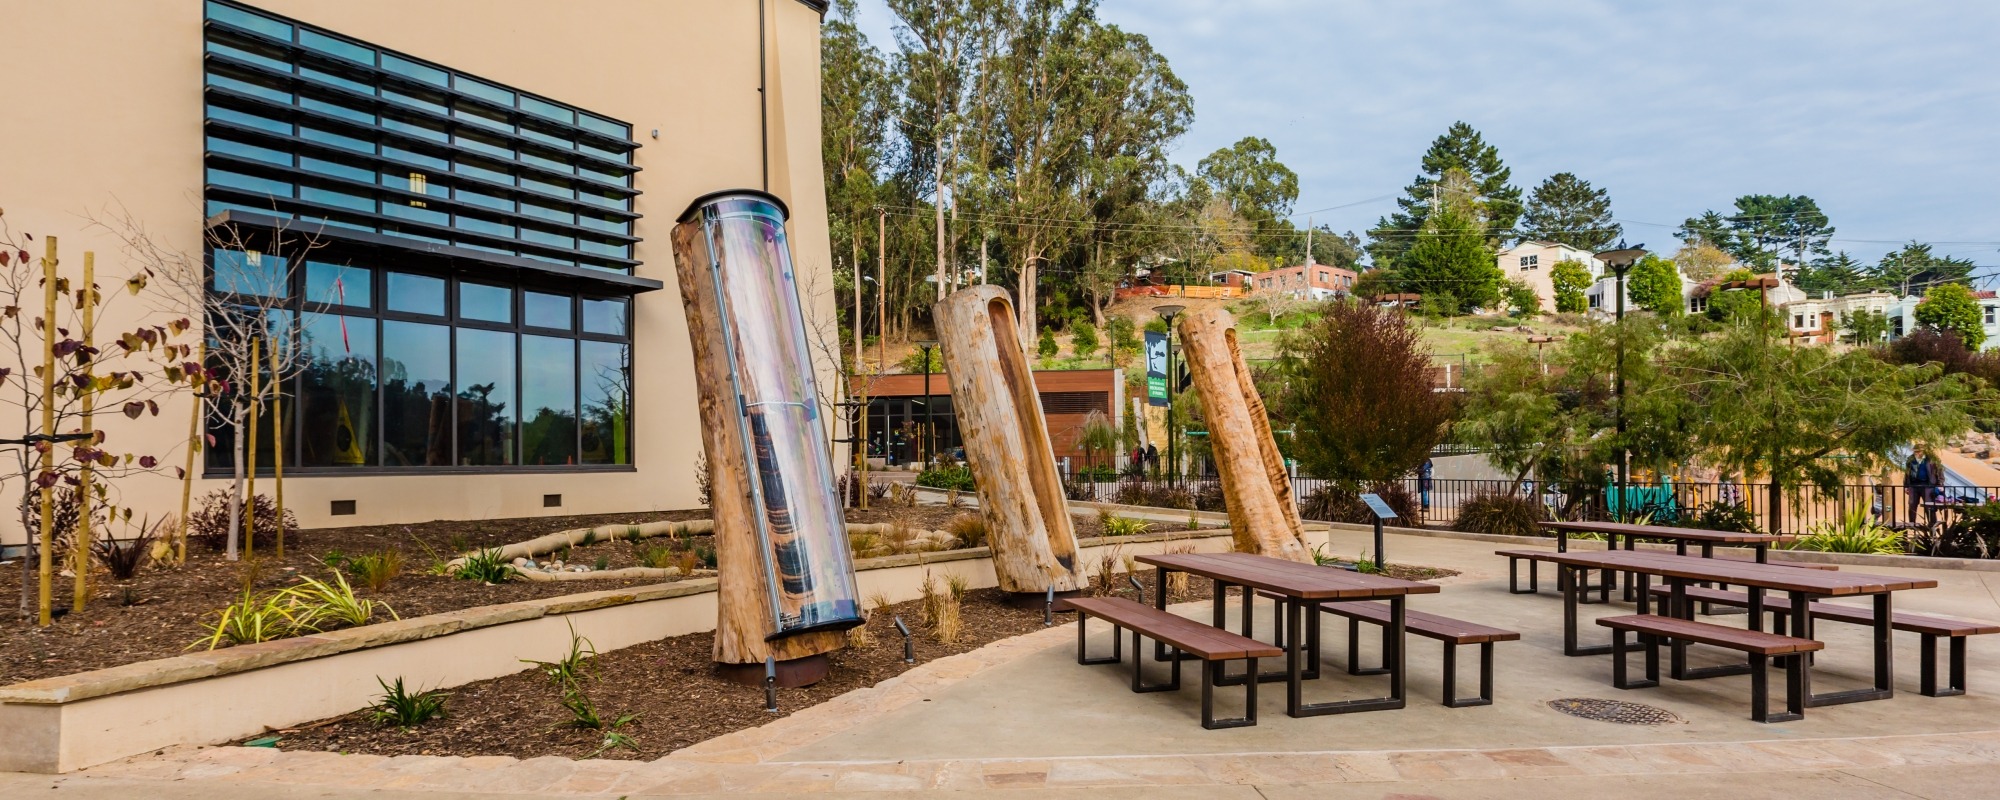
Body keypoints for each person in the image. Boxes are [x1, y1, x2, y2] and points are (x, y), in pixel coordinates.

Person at [1903, 453, 1925, 522]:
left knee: (1929, 506)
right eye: (1916, 451)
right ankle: (1912, 524)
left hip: (1927, 485)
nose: (1918, 452)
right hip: (1913, 485)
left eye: (1920, 451)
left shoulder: (1929, 459)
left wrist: (1940, 483)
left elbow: (1937, 471)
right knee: (1912, 505)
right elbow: (1907, 473)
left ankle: (1932, 524)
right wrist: (1906, 486)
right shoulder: (1911, 459)